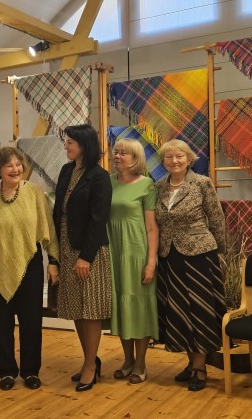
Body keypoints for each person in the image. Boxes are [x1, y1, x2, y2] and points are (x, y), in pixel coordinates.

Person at [0, 147, 59, 391]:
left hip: (31, 264)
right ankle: (6, 371)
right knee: (1, 323)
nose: (15, 169)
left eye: (18, 164)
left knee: (31, 322)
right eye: (9, 165)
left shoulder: (34, 193)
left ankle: (30, 371)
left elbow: (48, 228)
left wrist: (53, 261)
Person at [154, 139, 226, 392]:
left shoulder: (202, 183)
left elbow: (216, 218)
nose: (174, 161)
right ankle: (190, 361)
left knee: (199, 311)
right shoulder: (159, 186)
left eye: (179, 156)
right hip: (169, 257)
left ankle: (199, 367)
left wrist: (220, 252)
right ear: (163, 161)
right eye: (169, 157)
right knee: (179, 311)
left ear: (189, 159)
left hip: (200, 256)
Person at [53, 125, 112, 392]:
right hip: (67, 246)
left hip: (90, 250)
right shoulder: (66, 171)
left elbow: (99, 220)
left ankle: (90, 365)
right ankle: (90, 359)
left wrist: (86, 257)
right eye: (66, 142)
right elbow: (58, 211)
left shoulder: (99, 176)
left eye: (70, 143)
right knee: (76, 307)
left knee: (90, 309)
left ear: (84, 145)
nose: (66, 146)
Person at [106, 138, 159, 385]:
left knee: (139, 306)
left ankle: (141, 363)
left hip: (137, 252)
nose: (117, 156)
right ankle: (127, 360)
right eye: (115, 152)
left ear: (135, 158)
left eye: (123, 153)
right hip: (113, 251)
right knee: (121, 305)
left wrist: (151, 262)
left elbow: (152, 228)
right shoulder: (108, 183)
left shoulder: (147, 185)